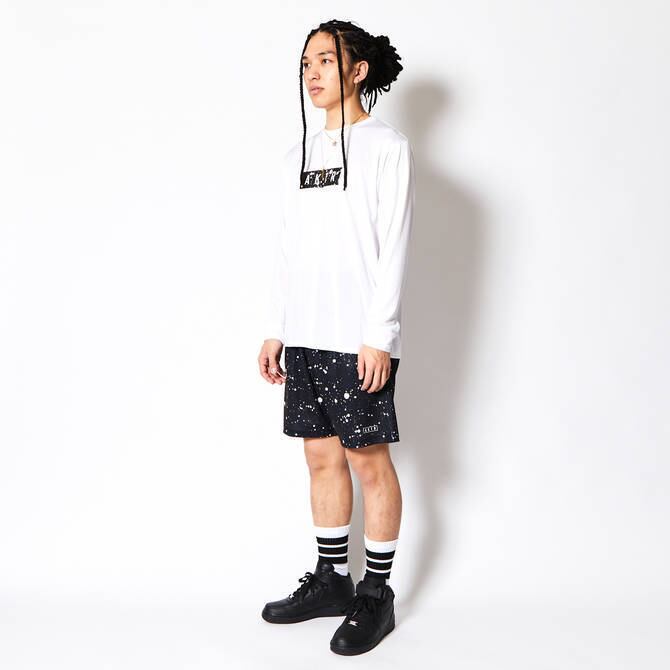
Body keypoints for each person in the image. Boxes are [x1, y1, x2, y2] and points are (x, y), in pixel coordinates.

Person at [257, 19, 415, 656]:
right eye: (306, 64)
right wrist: (277, 328)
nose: (312, 73)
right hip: (306, 334)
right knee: (320, 457)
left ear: (357, 69)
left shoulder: (386, 146)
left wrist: (380, 334)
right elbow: (288, 248)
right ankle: (331, 580)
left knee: (367, 460)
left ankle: (376, 594)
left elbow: (395, 243)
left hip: (358, 339)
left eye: (325, 60)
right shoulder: (302, 153)